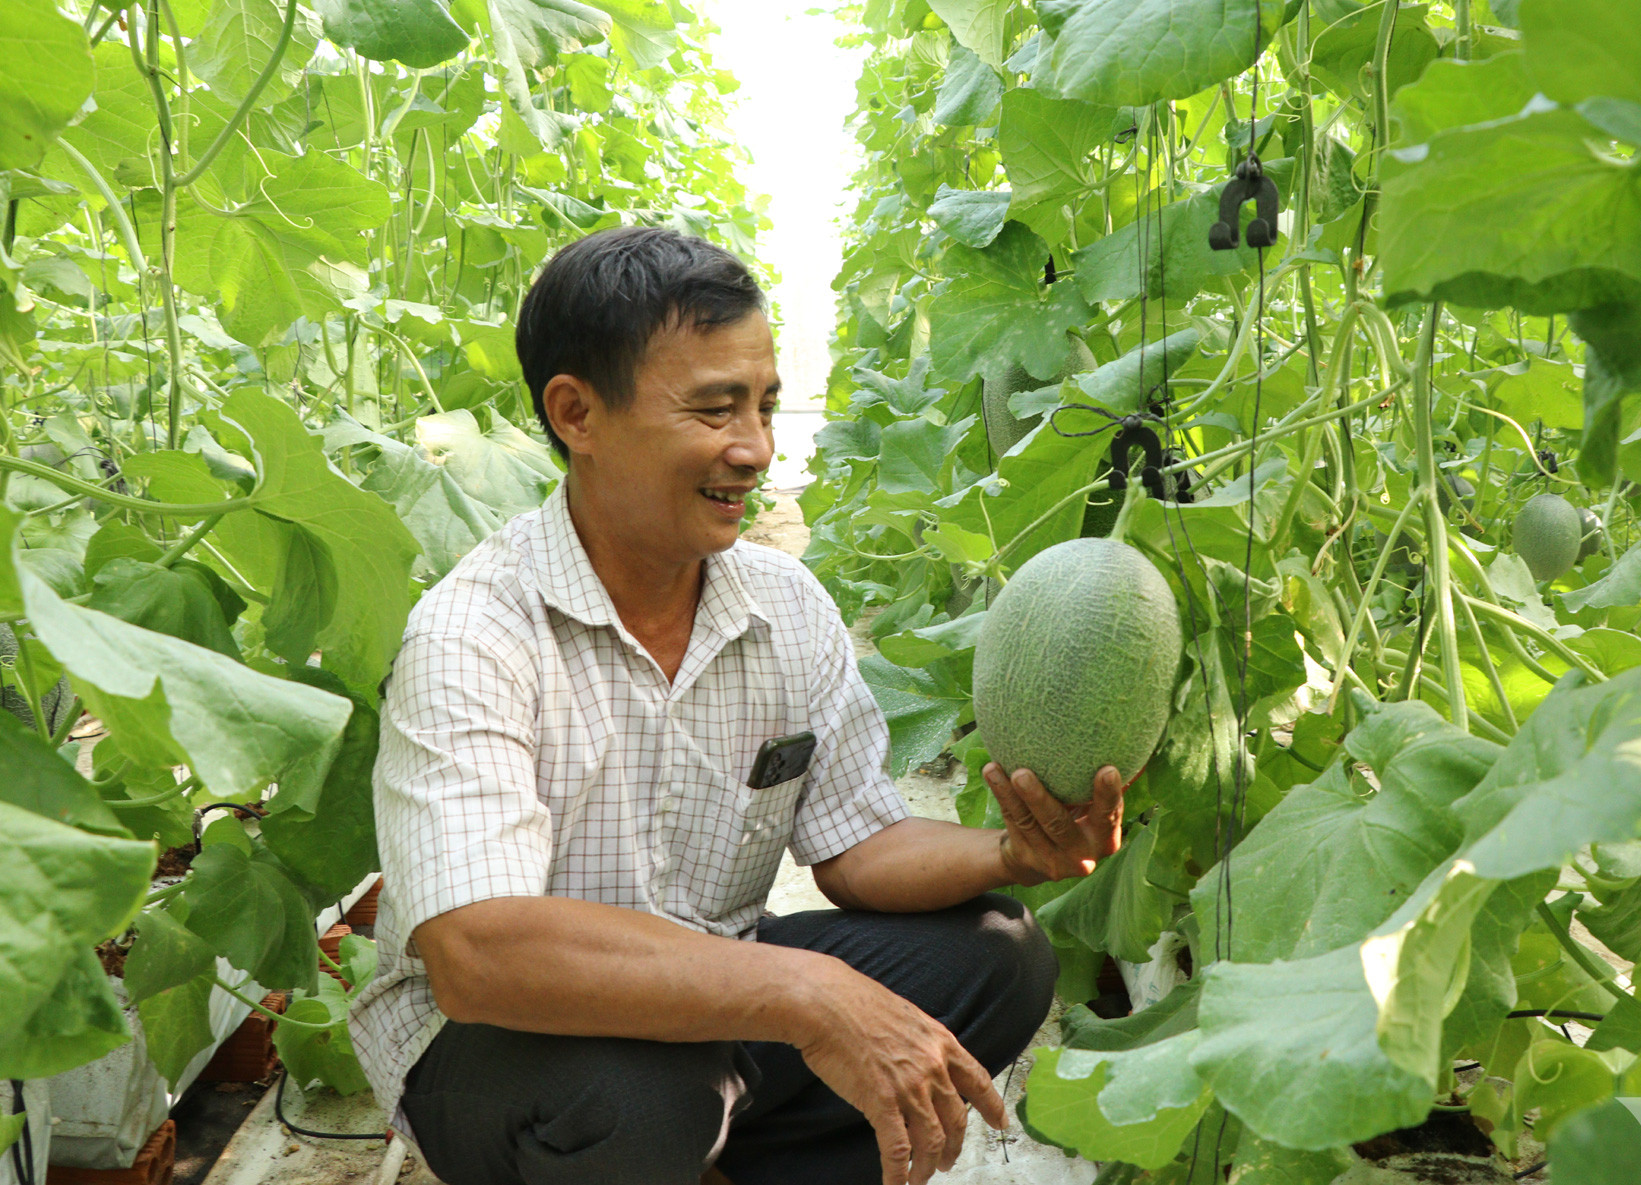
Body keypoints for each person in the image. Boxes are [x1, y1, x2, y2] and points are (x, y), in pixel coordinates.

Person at [348, 225, 1128, 1185]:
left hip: (708, 1003)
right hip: (501, 1043)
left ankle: (719, 1164)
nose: (755, 449)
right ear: (577, 413)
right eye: (715, 409)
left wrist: (1016, 851)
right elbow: (479, 954)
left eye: (763, 406)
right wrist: (806, 991)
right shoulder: (473, 631)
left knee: (999, 957)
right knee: (641, 1095)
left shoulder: (784, 603)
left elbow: (857, 845)